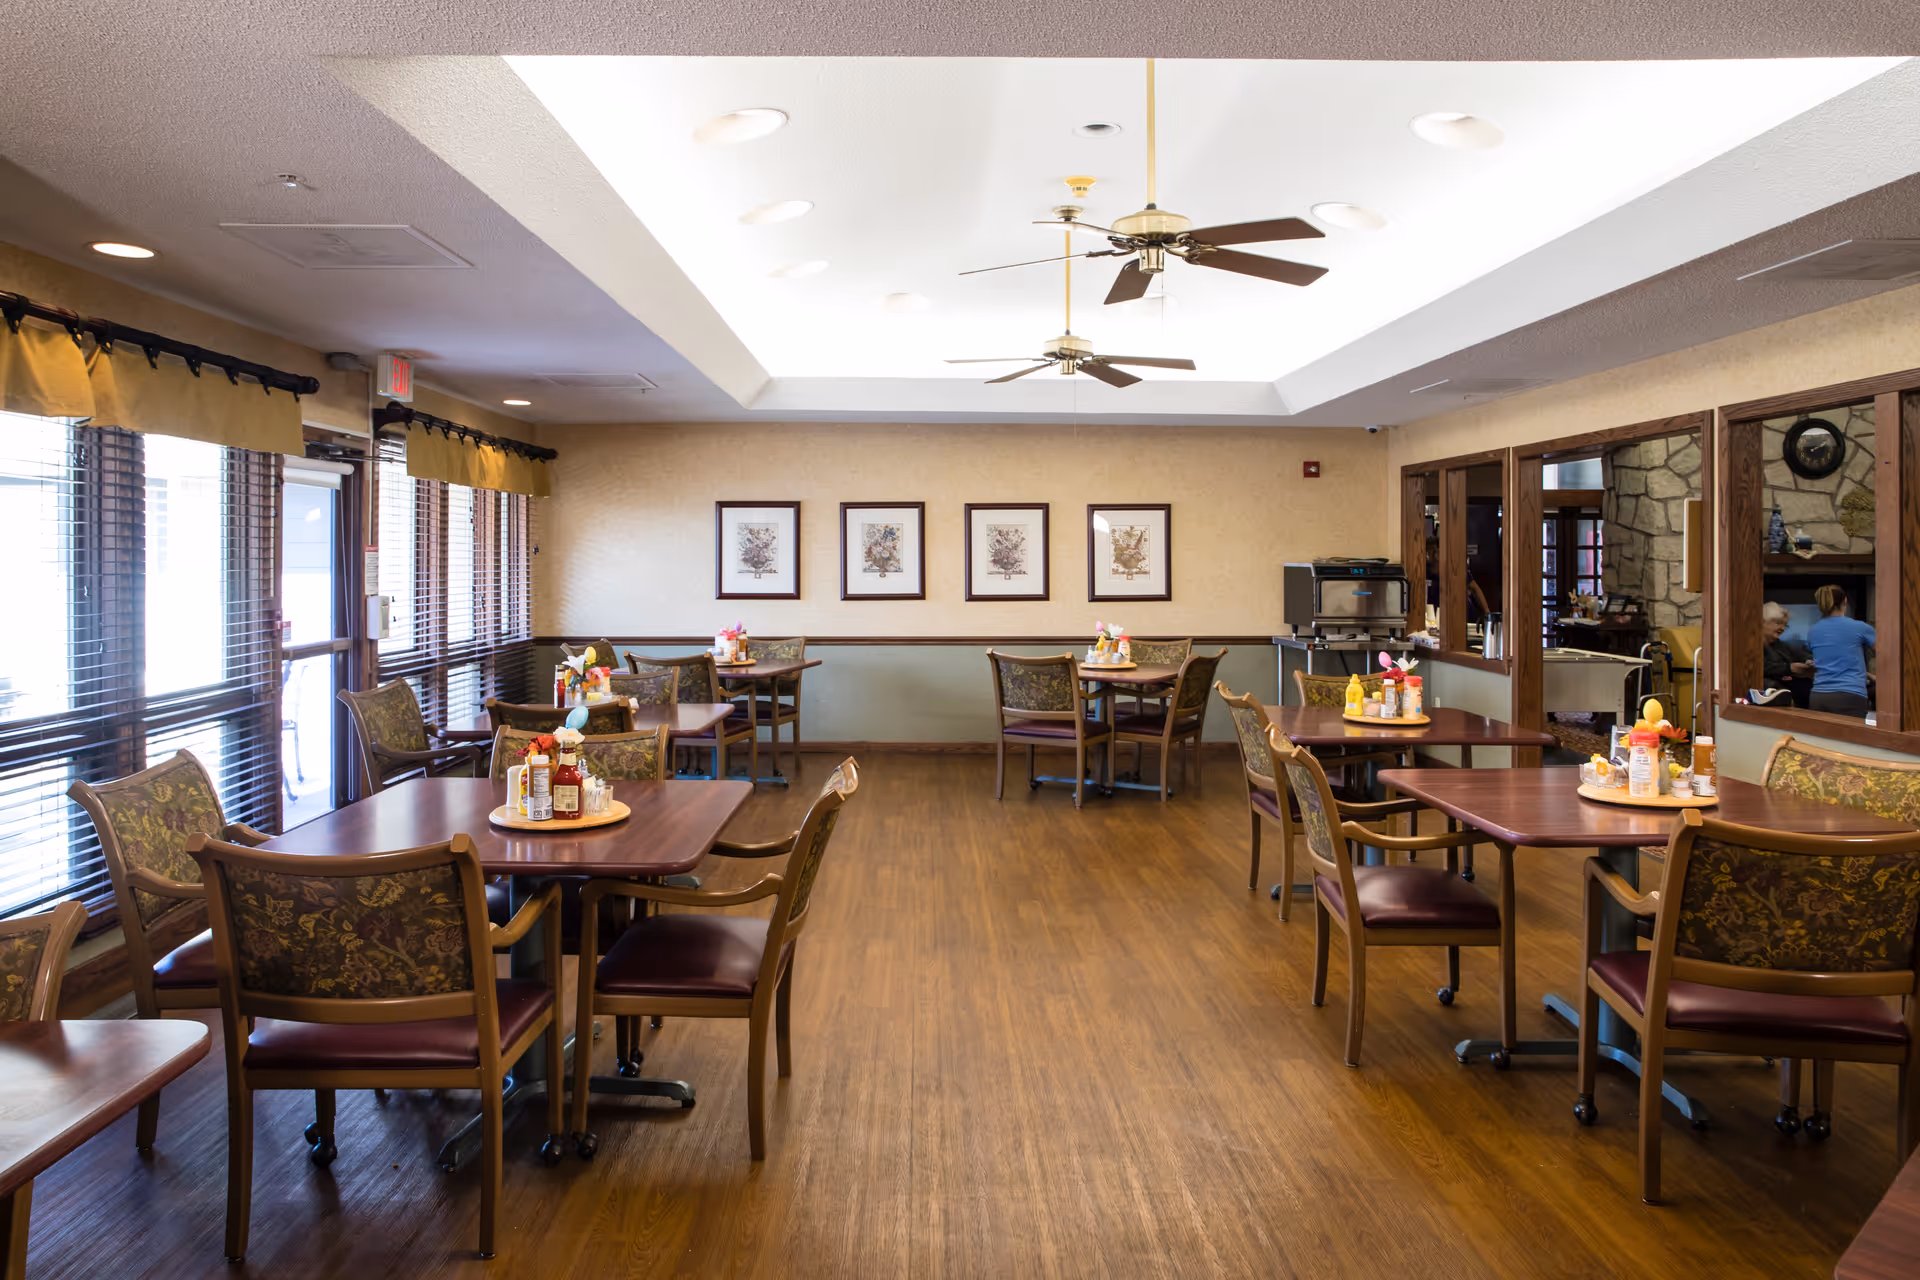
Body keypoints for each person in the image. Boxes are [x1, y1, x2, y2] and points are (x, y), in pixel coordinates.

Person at [1805, 584, 1875, 718]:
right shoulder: (1860, 627)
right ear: (1845, 601)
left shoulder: (1813, 631)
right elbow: (1885, 653)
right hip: (1850, 695)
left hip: (1818, 695)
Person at [1761, 601, 1813, 708]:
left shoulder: (1781, 646)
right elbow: (1761, 667)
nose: (1782, 628)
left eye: (1785, 625)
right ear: (1763, 621)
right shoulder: (1751, 646)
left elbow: (1800, 655)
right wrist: (1789, 668)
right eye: (1778, 623)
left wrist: (1809, 662)